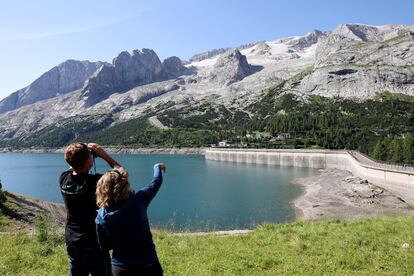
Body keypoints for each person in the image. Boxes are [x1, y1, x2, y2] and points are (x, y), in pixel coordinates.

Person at [60, 143, 123, 276]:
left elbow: (74, 161)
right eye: (90, 156)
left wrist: (85, 152)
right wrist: (103, 155)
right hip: (92, 243)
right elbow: (121, 174)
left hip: (71, 240)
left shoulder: (64, 178)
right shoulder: (95, 182)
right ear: (89, 160)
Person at [95, 163, 166, 276]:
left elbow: (104, 248)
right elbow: (156, 182)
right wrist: (157, 167)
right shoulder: (138, 201)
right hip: (147, 263)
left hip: (120, 267)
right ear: (125, 185)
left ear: (101, 189)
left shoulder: (100, 217)